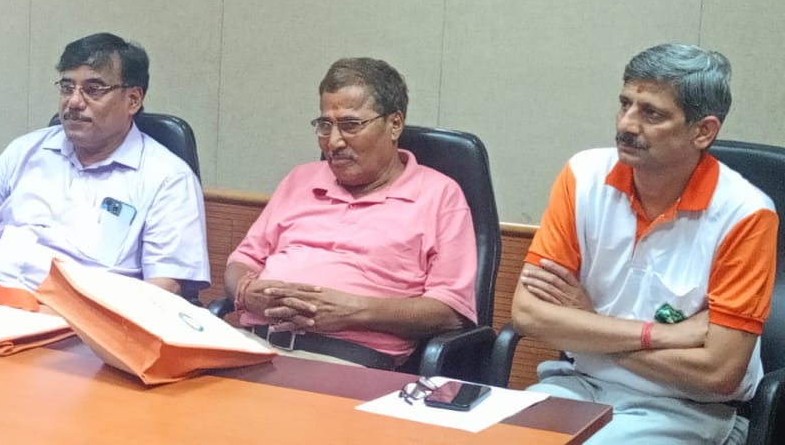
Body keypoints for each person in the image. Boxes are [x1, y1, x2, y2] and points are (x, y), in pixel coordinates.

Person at [513, 44, 777, 444]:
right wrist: (661, 334)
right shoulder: (583, 175)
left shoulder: (746, 214)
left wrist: (589, 325)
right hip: (578, 385)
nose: (626, 124)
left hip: (689, 408)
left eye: (651, 114)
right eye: (625, 104)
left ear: (703, 131)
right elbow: (527, 313)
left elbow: (719, 373)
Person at [223, 58, 476, 369]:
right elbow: (242, 261)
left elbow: (451, 311)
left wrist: (355, 312)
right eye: (325, 125)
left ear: (395, 124)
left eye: (350, 125)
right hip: (252, 344)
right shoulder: (300, 180)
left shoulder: (440, 196)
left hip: (346, 360)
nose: (333, 142)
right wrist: (247, 292)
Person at [0, 33, 208, 295]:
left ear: (133, 100)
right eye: (67, 87)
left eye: (93, 90)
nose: (74, 102)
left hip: (83, 320)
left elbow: (162, 289)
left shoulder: (168, 178)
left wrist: (51, 317)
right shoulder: (24, 152)